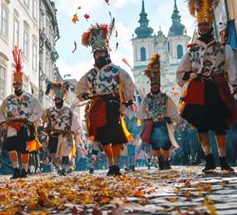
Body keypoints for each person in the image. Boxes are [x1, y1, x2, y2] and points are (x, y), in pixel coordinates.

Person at [176, 0, 237, 173]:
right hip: (198, 89)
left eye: (206, 24)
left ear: (211, 25)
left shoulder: (222, 47)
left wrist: (236, 84)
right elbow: (180, 74)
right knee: (201, 126)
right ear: (198, 27)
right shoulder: (192, 51)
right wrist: (191, 75)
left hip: (216, 88)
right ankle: (209, 160)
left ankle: (223, 160)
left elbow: (232, 66)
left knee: (220, 126)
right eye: (201, 25)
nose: (203, 27)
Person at [76, 23, 136, 176]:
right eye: (97, 53)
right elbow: (80, 87)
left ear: (107, 52)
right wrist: (84, 95)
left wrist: (126, 100)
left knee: (115, 138)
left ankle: (115, 166)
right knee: (103, 140)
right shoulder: (91, 74)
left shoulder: (117, 70)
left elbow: (129, 84)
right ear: (94, 55)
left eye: (101, 52)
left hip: (113, 106)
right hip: (98, 108)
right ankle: (111, 164)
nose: (99, 55)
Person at [0, 47, 42, 179]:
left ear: (22, 84)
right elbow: (1, 111)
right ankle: (16, 169)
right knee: (11, 148)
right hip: (11, 126)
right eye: (14, 84)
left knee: (24, 148)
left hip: (25, 125)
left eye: (18, 84)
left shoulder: (30, 98)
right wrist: (2, 122)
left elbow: (38, 110)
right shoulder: (9, 99)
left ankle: (25, 170)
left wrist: (30, 120)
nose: (16, 86)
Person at [138, 54, 180, 170]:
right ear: (151, 86)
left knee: (166, 145)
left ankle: (166, 160)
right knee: (155, 145)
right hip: (152, 124)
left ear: (159, 86)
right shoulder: (147, 98)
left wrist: (175, 120)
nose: (155, 87)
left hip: (163, 123)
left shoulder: (165, 97)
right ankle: (160, 159)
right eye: (153, 85)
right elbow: (141, 111)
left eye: (156, 85)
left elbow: (172, 109)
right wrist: (144, 119)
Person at [42, 81, 81, 175]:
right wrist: (42, 128)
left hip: (65, 134)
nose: (57, 102)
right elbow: (42, 120)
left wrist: (75, 135)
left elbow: (74, 124)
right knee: (53, 154)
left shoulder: (68, 110)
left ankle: (64, 169)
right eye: (56, 100)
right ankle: (59, 167)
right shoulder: (49, 110)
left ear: (62, 100)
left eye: (59, 100)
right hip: (53, 134)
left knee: (65, 152)